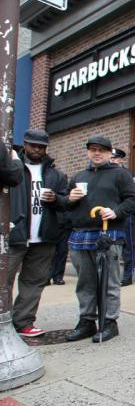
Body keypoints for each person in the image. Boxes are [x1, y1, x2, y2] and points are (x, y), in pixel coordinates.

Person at [61, 135, 135, 343]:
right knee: (85, 282)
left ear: (109, 152)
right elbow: (65, 206)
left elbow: (133, 201)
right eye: (93, 149)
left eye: (101, 150)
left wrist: (115, 212)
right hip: (80, 235)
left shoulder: (121, 174)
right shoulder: (78, 176)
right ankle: (87, 321)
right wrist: (69, 199)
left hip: (108, 234)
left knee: (109, 282)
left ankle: (109, 322)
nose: (97, 153)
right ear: (88, 152)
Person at [7, 130, 68, 337]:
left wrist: (56, 200)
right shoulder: (12, 168)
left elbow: (66, 202)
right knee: (3, 280)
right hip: (14, 235)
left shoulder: (56, 174)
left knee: (34, 282)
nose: (36, 149)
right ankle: (2, 322)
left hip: (44, 238)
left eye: (41, 146)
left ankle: (23, 322)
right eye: (33, 145)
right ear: (25, 144)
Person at [111, 148, 135, 287]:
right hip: (108, 215)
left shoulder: (130, 175)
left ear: (121, 160)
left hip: (125, 215)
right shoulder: (106, 175)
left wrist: (132, 211)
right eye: (111, 158)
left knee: (127, 246)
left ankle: (127, 277)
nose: (112, 161)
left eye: (115, 159)